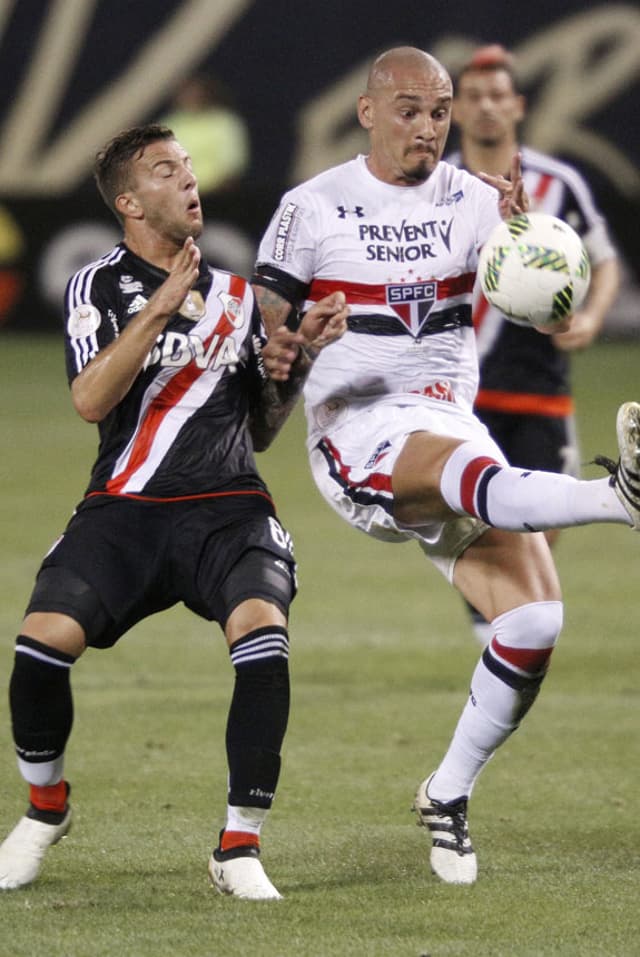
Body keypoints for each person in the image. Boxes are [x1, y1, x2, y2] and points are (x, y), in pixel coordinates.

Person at [251, 46, 640, 885]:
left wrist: (531, 244)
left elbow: (539, 296)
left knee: (534, 624)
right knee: (474, 470)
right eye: (409, 110)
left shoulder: (474, 199)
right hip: (356, 434)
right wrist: (284, 349)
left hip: (447, 423)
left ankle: (447, 793)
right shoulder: (312, 207)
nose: (428, 127)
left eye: (439, 111)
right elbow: (267, 334)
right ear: (367, 112)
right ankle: (620, 498)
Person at [0, 124, 347, 899]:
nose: (188, 179)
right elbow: (90, 398)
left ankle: (238, 844)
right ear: (129, 201)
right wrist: (157, 309)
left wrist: (299, 358)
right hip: (125, 505)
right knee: (37, 650)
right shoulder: (97, 285)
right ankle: (44, 809)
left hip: (228, 505)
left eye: (189, 167)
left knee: (263, 633)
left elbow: (260, 425)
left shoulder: (236, 295)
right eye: (166, 169)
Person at [447, 44, 621, 643]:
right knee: (475, 520)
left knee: (543, 527)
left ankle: (499, 622)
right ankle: (494, 631)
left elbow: (606, 262)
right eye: (474, 97)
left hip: (538, 385)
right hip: (459, 386)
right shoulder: (439, 188)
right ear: (457, 110)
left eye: (498, 95)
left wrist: (593, 317)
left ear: (517, 105)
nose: (487, 107)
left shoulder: (558, 183)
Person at [159, 73, 250, 195]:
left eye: (194, 94)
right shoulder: (170, 125)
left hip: (219, 196)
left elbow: (232, 167)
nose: (191, 98)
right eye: (186, 95)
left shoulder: (224, 122)